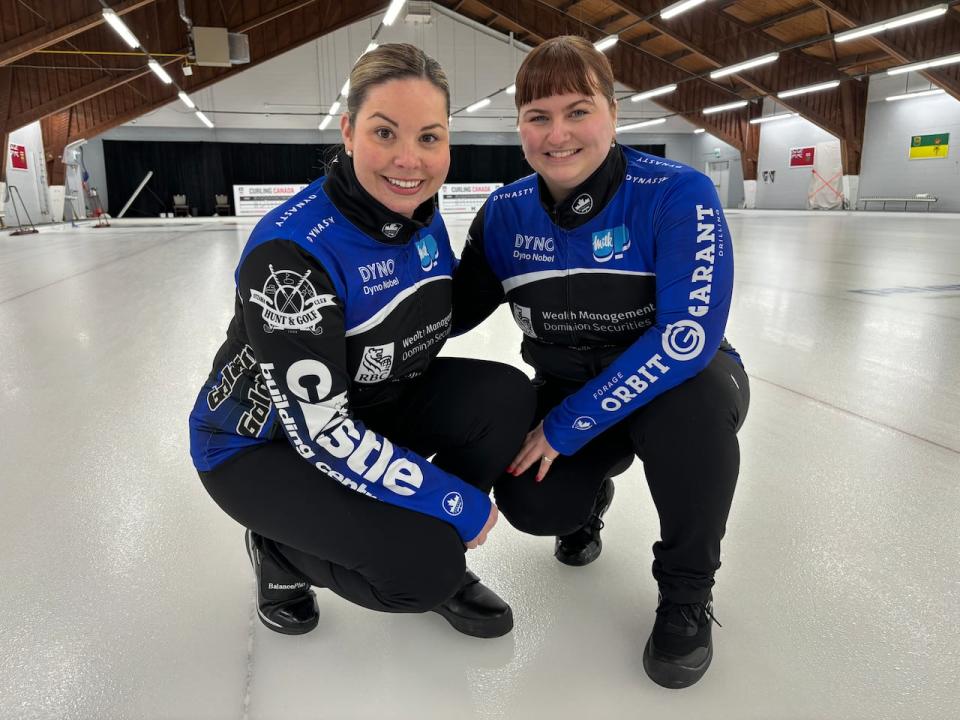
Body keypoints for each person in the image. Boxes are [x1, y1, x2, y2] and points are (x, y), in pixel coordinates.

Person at [188, 43, 535, 639]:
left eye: (430, 137)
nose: (410, 159)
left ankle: (428, 546)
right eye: (385, 132)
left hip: (368, 403)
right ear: (348, 132)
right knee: (422, 572)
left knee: (504, 396)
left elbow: (431, 317)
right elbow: (323, 432)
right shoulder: (291, 254)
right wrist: (455, 503)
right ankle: (281, 555)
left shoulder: (418, 213)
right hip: (262, 446)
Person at [452, 36, 750, 686]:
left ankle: (686, 594)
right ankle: (588, 501)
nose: (557, 133)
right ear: (521, 129)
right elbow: (448, 312)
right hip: (567, 386)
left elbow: (686, 339)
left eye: (577, 110)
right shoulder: (504, 214)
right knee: (533, 503)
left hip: (684, 382)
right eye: (538, 116)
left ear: (612, 115)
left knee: (691, 416)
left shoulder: (677, 194)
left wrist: (565, 426)